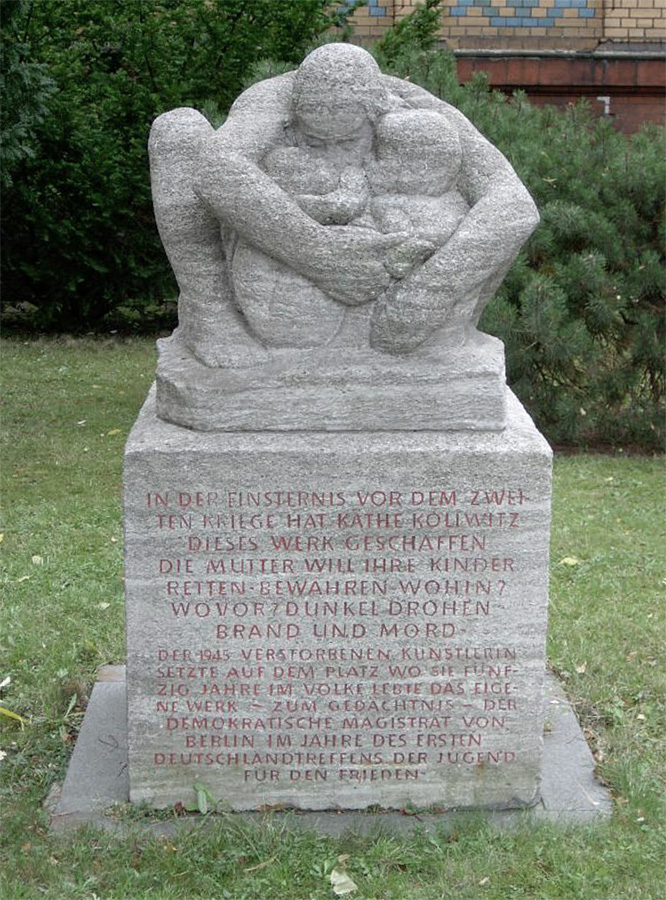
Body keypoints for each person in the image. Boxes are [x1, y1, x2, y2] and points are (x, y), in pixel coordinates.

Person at [152, 43, 539, 364]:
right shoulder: (270, 102)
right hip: (282, 270)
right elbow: (214, 170)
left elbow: (513, 204)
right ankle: (211, 314)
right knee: (177, 130)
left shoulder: (416, 111)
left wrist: (430, 290)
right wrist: (320, 255)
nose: (333, 155)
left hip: (396, 289)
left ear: (378, 115)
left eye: (348, 142)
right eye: (316, 142)